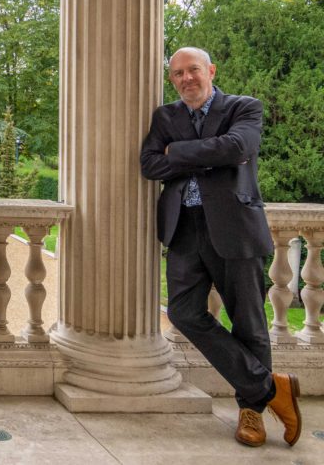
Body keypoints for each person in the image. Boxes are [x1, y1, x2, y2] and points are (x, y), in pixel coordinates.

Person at [140, 46, 301, 447]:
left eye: (192, 70)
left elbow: (238, 148)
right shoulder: (166, 116)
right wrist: (209, 156)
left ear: (210, 70)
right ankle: (269, 387)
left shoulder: (243, 107)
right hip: (184, 229)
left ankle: (252, 412)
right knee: (182, 312)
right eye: (177, 74)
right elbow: (149, 165)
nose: (185, 79)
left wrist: (177, 151)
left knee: (249, 323)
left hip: (235, 227)